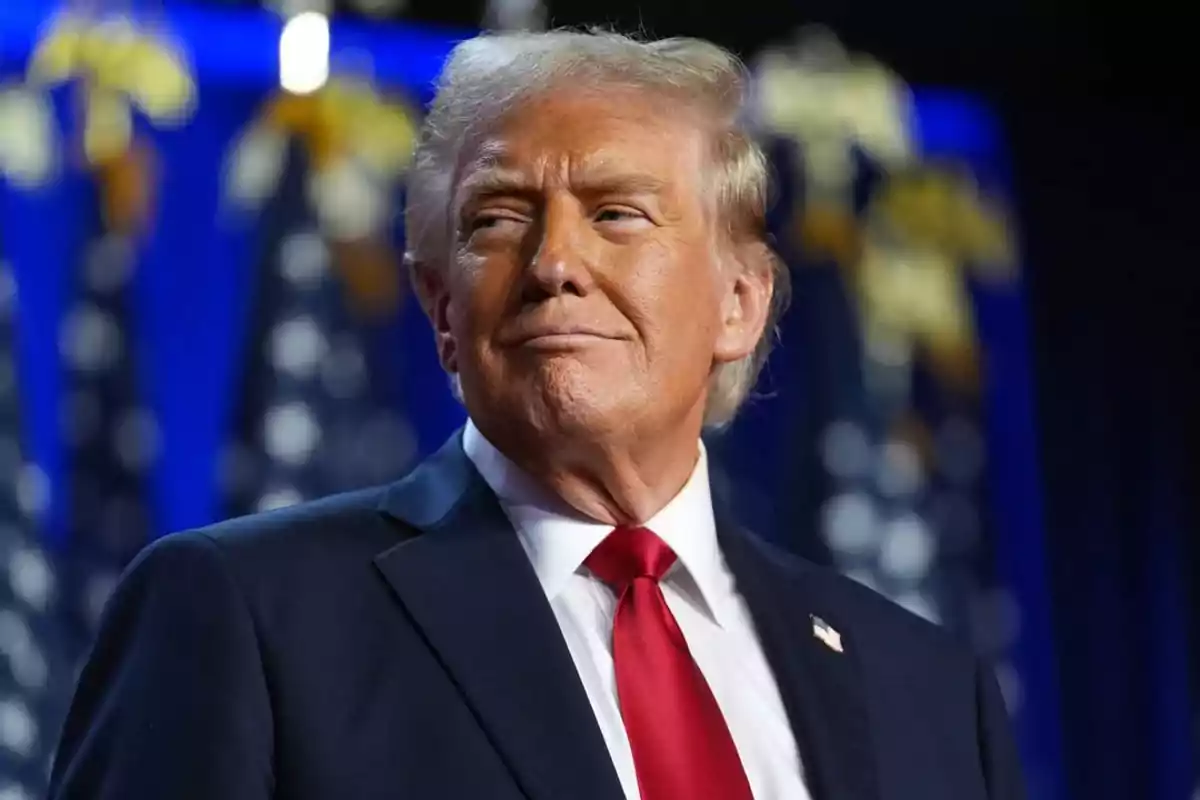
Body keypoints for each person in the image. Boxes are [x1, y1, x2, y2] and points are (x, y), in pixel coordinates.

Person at [48, 29, 1025, 800]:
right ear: (440, 307)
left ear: (740, 300)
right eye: (499, 218)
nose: (555, 263)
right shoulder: (246, 613)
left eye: (616, 213)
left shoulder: (926, 687)